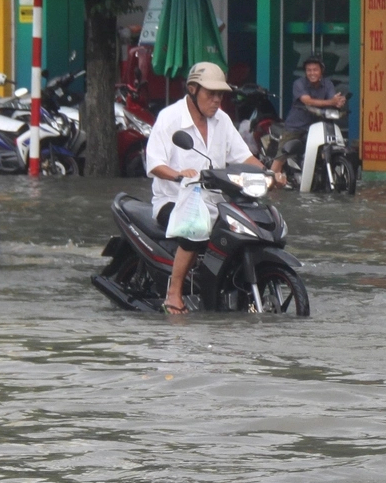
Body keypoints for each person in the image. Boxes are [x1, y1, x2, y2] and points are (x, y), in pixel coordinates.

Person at [142, 62, 265, 314]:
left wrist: (269, 173)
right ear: (192, 89)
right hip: (173, 201)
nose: (217, 100)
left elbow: (244, 157)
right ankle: (174, 293)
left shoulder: (222, 120)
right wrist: (177, 175)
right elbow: (154, 164)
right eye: (211, 94)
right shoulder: (170, 118)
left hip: (214, 201)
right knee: (194, 229)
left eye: (221, 94)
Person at [270, 55, 345, 183]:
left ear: (321, 70)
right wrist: (331, 102)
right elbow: (307, 101)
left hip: (318, 126)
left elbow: (333, 100)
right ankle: (269, 179)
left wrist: (338, 102)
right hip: (296, 126)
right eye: (309, 70)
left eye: (315, 70)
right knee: (282, 155)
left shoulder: (328, 84)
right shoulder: (299, 83)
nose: (312, 73)